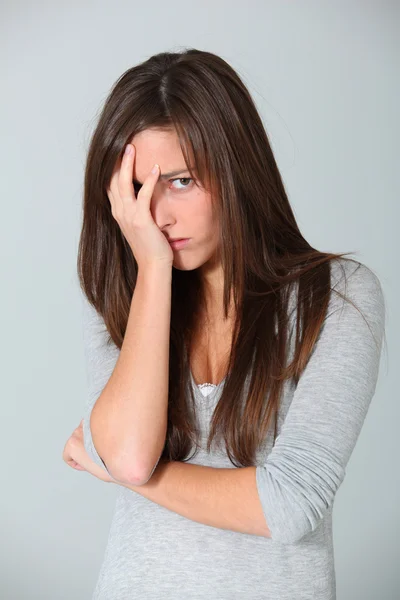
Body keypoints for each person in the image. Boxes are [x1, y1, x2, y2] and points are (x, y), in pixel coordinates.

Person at [63, 48, 386, 599]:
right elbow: (133, 452)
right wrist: (154, 270)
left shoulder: (338, 297)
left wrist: (117, 469)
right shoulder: (127, 306)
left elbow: (290, 504)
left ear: (236, 169)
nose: (157, 215)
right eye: (138, 190)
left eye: (182, 181)